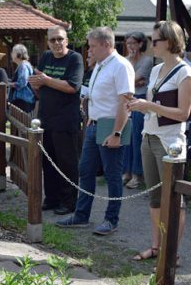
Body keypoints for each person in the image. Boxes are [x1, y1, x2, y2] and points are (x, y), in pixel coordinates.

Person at [126, 20, 191, 260]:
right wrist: (139, 106)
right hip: (149, 136)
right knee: (154, 198)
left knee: (174, 199)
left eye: (155, 41)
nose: (151, 45)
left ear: (170, 41)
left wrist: (149, 105)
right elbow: (154, 108)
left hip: (170, 144)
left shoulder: (186, 73)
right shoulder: (156, 70)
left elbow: (184, 114)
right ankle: (156, 247)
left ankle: (171, 253)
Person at [56, 27, 134, 235]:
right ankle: (81, 215)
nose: (89, 50)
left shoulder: (120, 66)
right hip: (95, 125)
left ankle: (111, 220)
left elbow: (125, 101)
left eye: (92, 46)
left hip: (111, 127)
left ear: (106, 44)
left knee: (113, 175)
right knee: (86, 171)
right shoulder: (101, 65)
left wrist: (117, 133)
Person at [29, 26, 84, 216]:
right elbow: (39, 82)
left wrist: (45, 80)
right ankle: (51, 198)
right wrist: (36, 83)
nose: (57, 43)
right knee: (48, 161)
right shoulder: (45, 57)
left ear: (66, 41)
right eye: (53, 40)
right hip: (46, 117)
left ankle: (69, 202)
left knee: (67, 163)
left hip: (66, 120)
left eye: (60, 39)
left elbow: (72, 86)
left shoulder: (74, 59)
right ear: (48, 42)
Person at [122, 32, 154, 189]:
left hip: (140, 102)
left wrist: (135, 81)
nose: (130, 47)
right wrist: (136, 82)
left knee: (136, 138)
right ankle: (126, 172)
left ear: (141, 44)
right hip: (126, 102)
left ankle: (136, 175)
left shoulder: (147, 60)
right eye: (128, 43)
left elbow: (130, 80)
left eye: (133, 43)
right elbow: (122, 83)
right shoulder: (125, 60)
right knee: (125, 139)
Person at [8, 44, 36, 113]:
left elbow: (22, 83)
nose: (11, 54)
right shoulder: (23, 64)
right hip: (23, 100)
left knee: (22, 123)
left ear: (18, 54)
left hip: (23, 100)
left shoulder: (23, 65)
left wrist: (9, 84)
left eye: (13, 52)